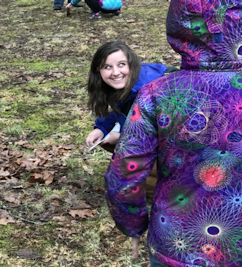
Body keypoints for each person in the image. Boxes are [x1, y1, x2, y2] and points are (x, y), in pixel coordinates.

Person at [104, 0, 242, 266]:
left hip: (176, 245)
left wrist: (132, 225)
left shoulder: (158, 93)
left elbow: (125, 171)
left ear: (179, 22)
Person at [85, 41, 172, 197]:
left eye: (121, 64)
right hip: (154, 145)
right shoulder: (126, 85)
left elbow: (170, 134)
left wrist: (124, 137)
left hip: (182, 151)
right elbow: (123, 111)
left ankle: (173, 186)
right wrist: (102, 128)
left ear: (131, 64)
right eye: (107, 67)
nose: (116, 72)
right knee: (115, 163)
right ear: (98, 71)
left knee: (121, 184)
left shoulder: (155, 89)